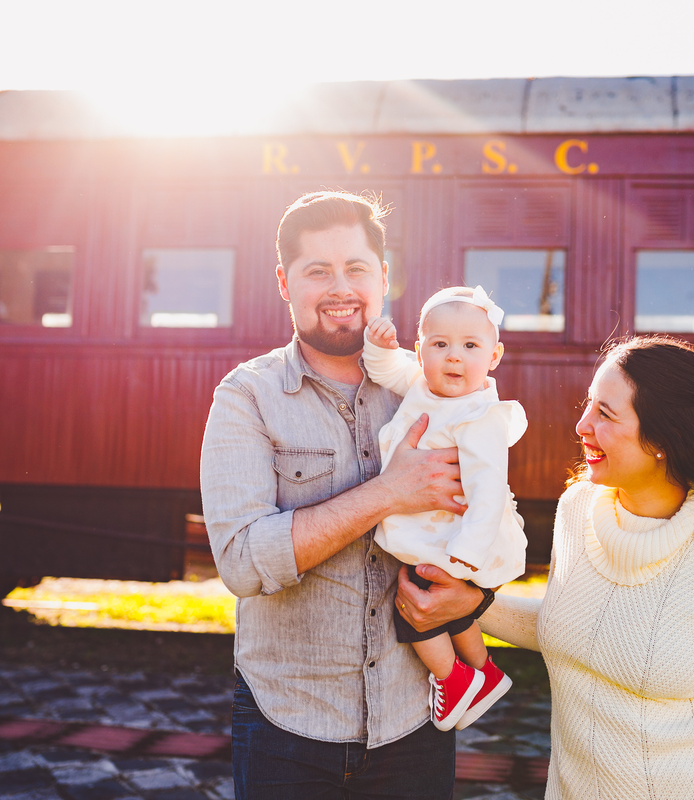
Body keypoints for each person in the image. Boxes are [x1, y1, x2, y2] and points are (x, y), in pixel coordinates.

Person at [406, 334, 694, 800]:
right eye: (588, 404)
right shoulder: (576, 509)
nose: (581, 425)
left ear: (663, 439)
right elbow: (578, 629)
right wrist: (475, 605)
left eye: (605, 414)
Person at [200, 191, 487, 800]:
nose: (341, 286)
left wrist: (473, 593)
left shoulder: (431, 388)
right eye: (317, 270)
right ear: (284, 281)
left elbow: (478, 514)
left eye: (356, 268)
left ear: (384, 276)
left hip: (414, 722)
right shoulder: (246, 397)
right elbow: (243, 564)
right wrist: (387, 494)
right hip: (287, 725)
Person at [363, 285, 528, 732]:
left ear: (494, 357)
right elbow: (386, 369)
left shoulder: (481, 417)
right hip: (432, 530)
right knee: (450, 609)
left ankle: (452, 679)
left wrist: (467, 551)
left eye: (470, 346)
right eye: (440, 345)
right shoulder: (420, 383)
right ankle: (486, 672)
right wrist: (377, 345)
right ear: (421, 352)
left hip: (458, 536)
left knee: (416, 605)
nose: (454, 357)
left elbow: (489, 492)